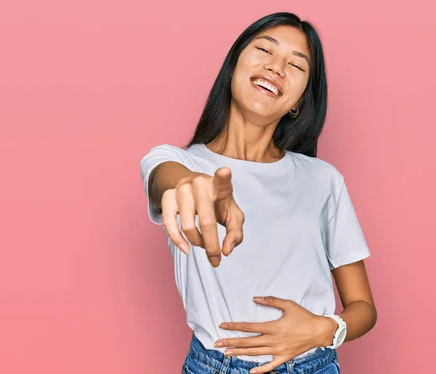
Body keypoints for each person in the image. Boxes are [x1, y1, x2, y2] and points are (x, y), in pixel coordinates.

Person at [140, 12, 377, 374]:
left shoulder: (323, 180)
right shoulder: (175, 160)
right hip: (214, 366)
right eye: (265, 50)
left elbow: (363, 307)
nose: (276, 67)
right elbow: (164, 177)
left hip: (314, 366)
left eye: (296, 66)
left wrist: (323, 330)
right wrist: (189, 184)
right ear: (234, 66)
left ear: (298, 102)